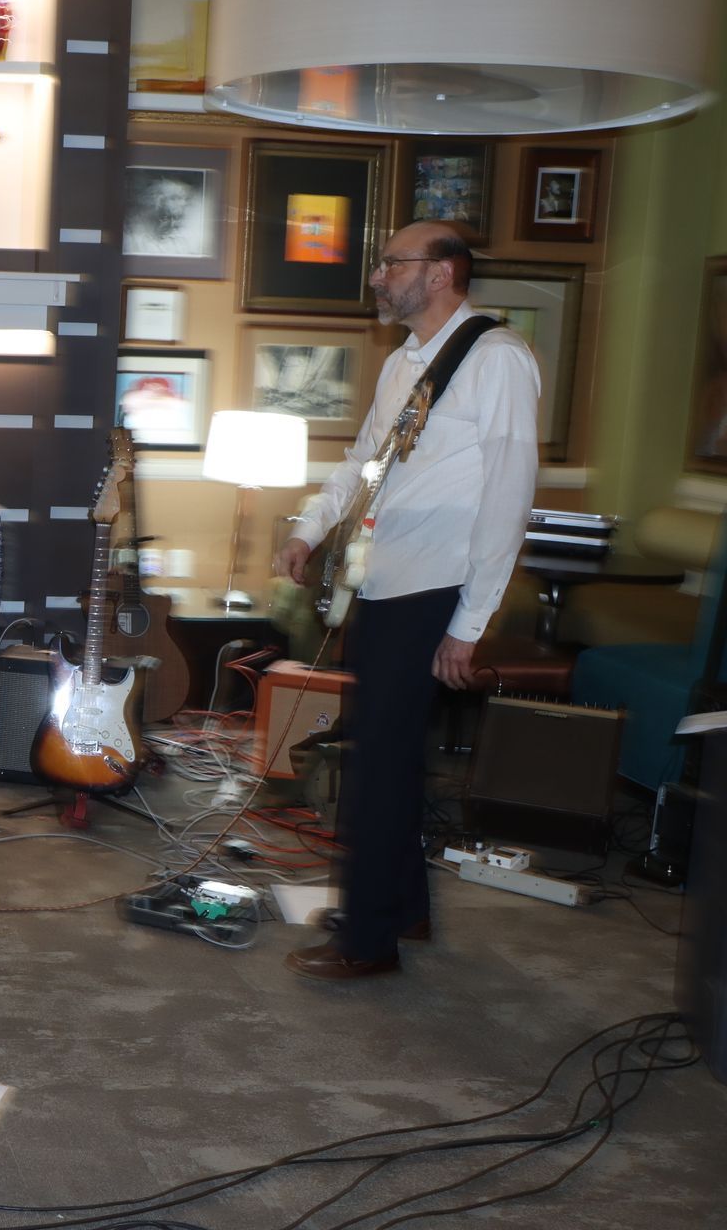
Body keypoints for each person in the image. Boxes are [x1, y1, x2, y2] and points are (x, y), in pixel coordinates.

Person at [272, 220, 539, 981]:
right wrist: (310, 527)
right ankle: (404, 906)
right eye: (382, 262)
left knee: (378, 765)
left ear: (444, 272)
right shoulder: (403, 365)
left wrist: (469, 622)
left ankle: (367, 940)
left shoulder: (498, 361)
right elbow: (364, 461)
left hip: (437, 589)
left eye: (394, 263)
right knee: (386, 756)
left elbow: (508, 498)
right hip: (386, 580)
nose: (379, 276)